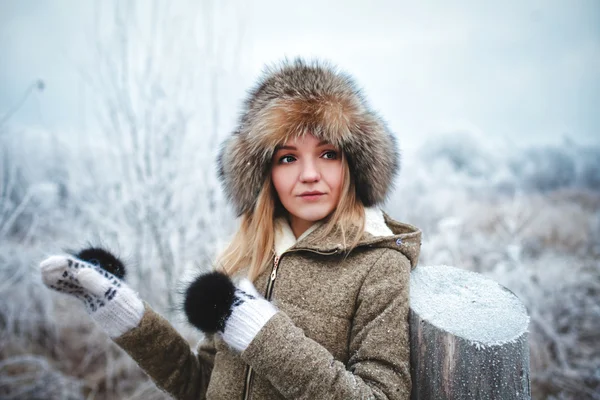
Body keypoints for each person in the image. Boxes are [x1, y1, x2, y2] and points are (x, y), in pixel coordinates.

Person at [40, 59, 422, 400]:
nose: (309, 174)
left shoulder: (379, 265)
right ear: (264, 174)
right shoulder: (244, 258)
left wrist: (261, 332)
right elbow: (199, 385)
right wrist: (124, 314)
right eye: (287, 157)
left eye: (328, 154)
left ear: (352, 164)